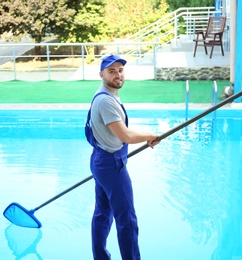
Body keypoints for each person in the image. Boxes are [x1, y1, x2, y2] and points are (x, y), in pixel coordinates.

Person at [85, 54, 160, 260]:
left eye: (120, 70)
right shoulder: (106, 101)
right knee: (127, 220)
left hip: (100, 160)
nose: (118, 74)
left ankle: (100, 257)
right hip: (111, 165)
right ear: (101, 74)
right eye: (112, 71)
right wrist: (149, 136)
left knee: (102, 214)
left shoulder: (105, 94)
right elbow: (125, 135)